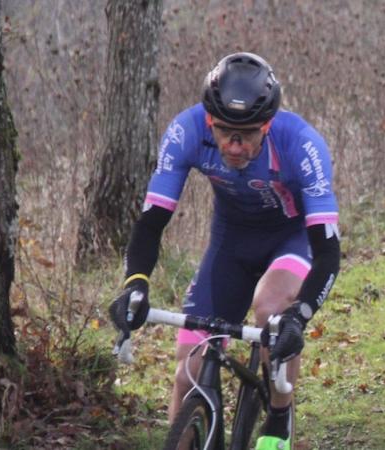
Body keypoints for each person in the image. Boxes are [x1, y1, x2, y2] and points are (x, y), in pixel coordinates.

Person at [109, 52, 340, 450]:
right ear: (209, 121)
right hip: (230, 242)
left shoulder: (301, 145)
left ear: (267, 126)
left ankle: (280, 414)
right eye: (224, 132)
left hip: (291, 238)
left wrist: (299, 316)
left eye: (247, 134)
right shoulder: (186, 131)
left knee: (270, 309)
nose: (234, 147)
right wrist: (135, 284)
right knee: (189, 374)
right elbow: (150, 224)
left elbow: (328, 252)